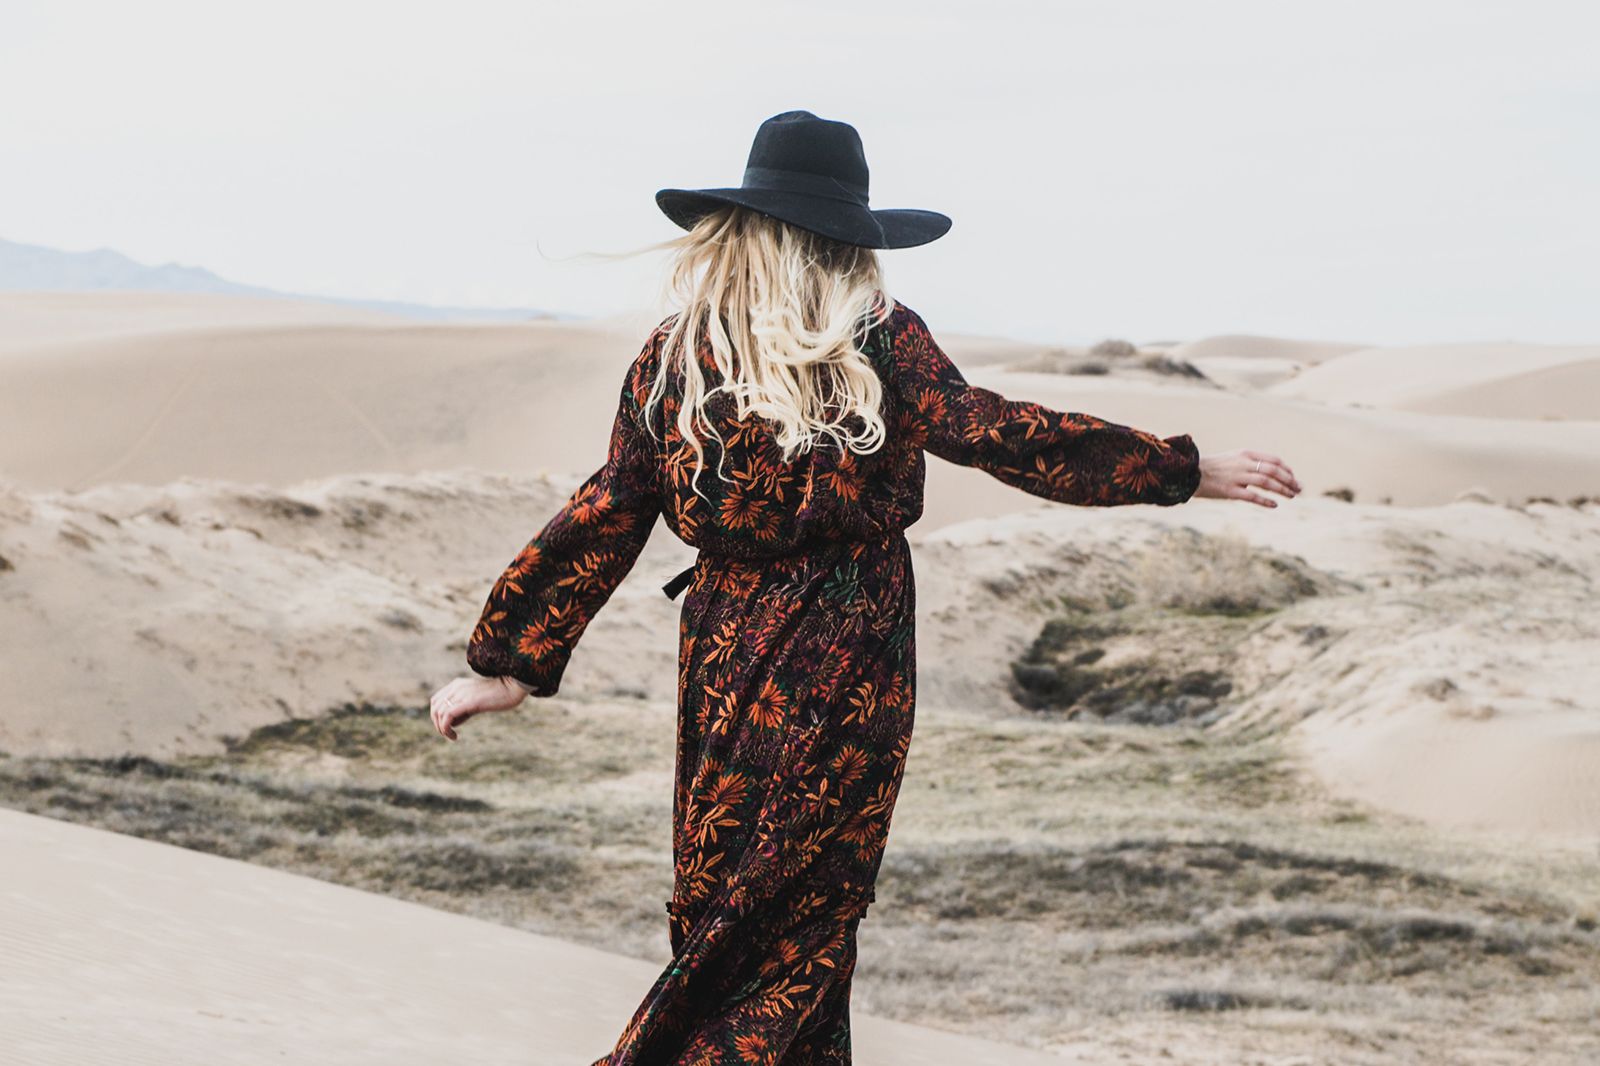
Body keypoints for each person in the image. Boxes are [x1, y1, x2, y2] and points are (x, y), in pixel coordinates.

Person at [429, 110, 1300, 1064]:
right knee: (797, 916)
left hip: (727, 650)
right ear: (849, 240)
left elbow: (610, 508)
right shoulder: (878, 339)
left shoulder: (676, 354)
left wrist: (509, 662)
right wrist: (1180, 469)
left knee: (732, 901)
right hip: (853, 648)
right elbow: (1000, 433)